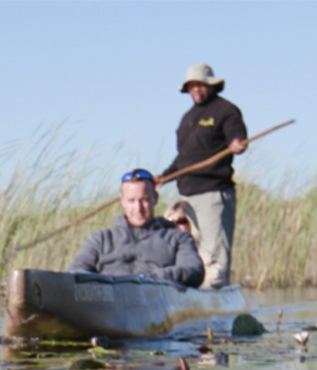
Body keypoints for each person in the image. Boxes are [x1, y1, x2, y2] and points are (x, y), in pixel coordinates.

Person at [166, 62, 247, 288]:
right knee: (187, 248)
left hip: (213, 193)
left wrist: (236, 143)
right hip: (186, 195)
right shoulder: (187, 118)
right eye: (192, 86)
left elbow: (237, 137)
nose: (196, 90)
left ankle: (217, 299)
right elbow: (183, 159)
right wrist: (161, 178)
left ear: (211, 86)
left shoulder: (226, 110)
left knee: (214, 254)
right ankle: (191, 296)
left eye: (200, 85)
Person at [67, 169, 205, 286]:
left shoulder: (178, 238)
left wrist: (152, 277)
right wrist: (104, 283)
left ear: (155, 198)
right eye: (131, 201)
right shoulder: (100, 239)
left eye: (144, 200)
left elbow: (193, 270)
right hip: (108, 299)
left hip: (156, 298)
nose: (138, 208)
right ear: (122, 201)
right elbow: (75, 270)